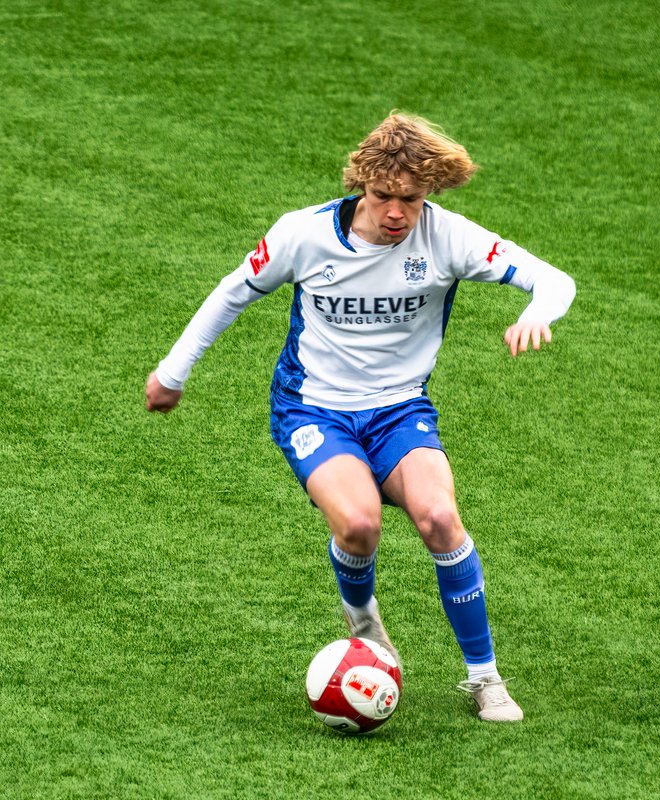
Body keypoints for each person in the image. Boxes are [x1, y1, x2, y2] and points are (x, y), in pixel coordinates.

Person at [146, 113, 575, 720]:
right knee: (359, 525)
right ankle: (365, 622)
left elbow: (554, 280)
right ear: (360, 186)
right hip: (313, 406)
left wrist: (540, 312)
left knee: (440, 518)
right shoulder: (304, 234)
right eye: (382, 197)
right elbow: (233, 291)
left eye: (411, 198)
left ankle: (485, 679)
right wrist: (173, 371)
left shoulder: (449, 237)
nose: (396, 212)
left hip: (400, 409)